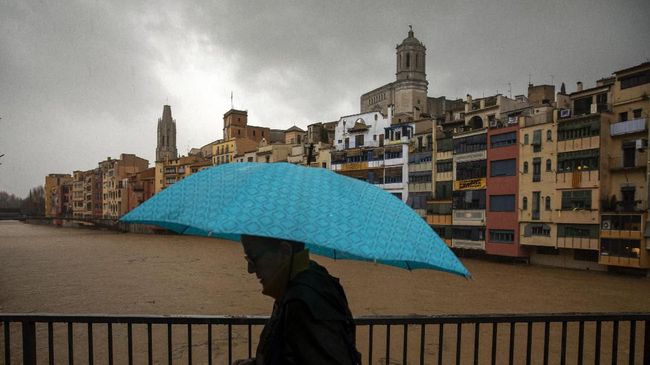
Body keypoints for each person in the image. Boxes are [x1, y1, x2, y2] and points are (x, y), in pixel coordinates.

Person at [232, 234, 361, 365]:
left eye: (253, 258)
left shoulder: (303, 301)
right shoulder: (304, 283)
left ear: (284, 252)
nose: (250, 269)